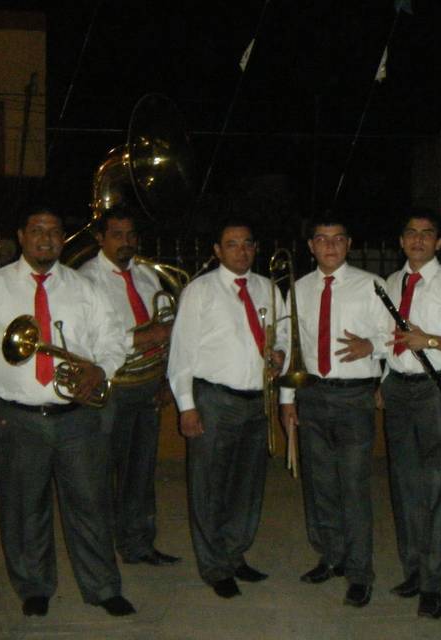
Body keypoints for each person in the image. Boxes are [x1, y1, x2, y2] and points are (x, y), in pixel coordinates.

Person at [0, 206, 135, 618]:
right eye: (37, 230)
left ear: (63, 237)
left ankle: (103, 587)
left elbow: (115, 339)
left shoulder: (85, 287)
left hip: (78, 417)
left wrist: (101, 369)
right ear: (21, 236)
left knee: (91, 505)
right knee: (22, 508)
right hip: (17, 417)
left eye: (54, 231)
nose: (46, 238)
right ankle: (34, 586)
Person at [167, 219, 286, 599]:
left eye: (247, 243)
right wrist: (186, 407)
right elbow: (182, 353)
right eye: (232, 244)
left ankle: (235, 554)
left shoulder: (268, 288)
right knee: (209, 486)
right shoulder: (199, 291)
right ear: (217, 251)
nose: (241, 250)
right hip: (214, 400)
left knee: (247, 486)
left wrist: (280, 354)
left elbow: (281, 334)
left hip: (257, 400)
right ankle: (214, 565)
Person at [279, 215, 392, 608]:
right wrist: (287, 401)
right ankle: (331, 556)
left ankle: (361, 572)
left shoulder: (371, 285)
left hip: (353, 398)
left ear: (349, 243)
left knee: (355, 488)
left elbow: (394, 335)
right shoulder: (297, 289)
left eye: (338, 239)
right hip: (311, 396)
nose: (330, 246)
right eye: (321, 239)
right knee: (320, 486)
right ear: (310, 246)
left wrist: (372, 347)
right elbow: (289, 347)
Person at [382, 209, 441, 619]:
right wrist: (384, 380)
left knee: (437, 488)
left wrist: (429, 339)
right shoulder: (389, 283)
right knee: (403, 485)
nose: (418, 240)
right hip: (398, 390)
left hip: (437, 389)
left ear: (439, 242)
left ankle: (433, 583)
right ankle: (413, 571)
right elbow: (387, 340)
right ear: (402, 240)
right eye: (411, 233)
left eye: (427, 234)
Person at [77, 206, 180, 567]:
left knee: (141, 470)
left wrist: (166, 374)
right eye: (117, 235)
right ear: (101, 238)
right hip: (111, 387)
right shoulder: (85, 280)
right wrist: (150, 335)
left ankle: (138, 545)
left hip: (147, 383)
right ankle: (101, 551)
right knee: (100, 473)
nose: (126, 242)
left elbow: (166, 323)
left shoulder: (147, 276)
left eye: (131, 235)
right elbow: (89, 340)